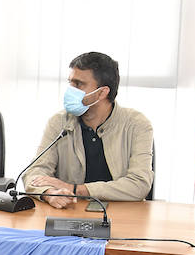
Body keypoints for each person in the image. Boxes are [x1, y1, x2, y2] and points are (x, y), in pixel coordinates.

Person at [22, 52, 154, 206]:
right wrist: (49, 193)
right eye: (70, 83)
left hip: (122, 213)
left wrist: (76, 189)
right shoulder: (59, 122)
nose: (70, 90)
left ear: (102, 92)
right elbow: (34, 173)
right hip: (70, 211)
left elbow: (139, 185)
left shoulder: (137, 124)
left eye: (78, 84)